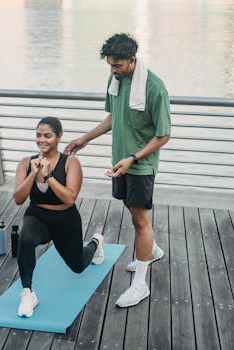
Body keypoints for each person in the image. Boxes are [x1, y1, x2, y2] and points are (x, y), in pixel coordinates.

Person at [64, 33, 171, 308]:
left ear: (132, 60)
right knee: (130, 206)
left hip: (140, 164)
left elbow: (163, 135)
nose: (112, 71)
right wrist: (84, 138)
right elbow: (113, 117)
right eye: (110, 65)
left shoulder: (154, 89)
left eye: (117, 65)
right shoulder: (116, 80)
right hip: (120, 160)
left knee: (140, 220)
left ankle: (140, 285)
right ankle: (153, 250)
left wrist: (133, 158)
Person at [13, 116, 105, 318]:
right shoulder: (26, 163)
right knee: (25, 239)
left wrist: (47, 176)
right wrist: (33, 174)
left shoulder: (70, 163)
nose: (42, 140)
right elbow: (18, 199)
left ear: (59, 137)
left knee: (78, 266)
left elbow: (70, 198)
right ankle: (28, 293)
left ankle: (96, 244)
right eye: (38, 135)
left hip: (65, 220)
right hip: (38, 216)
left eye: (48, 136)